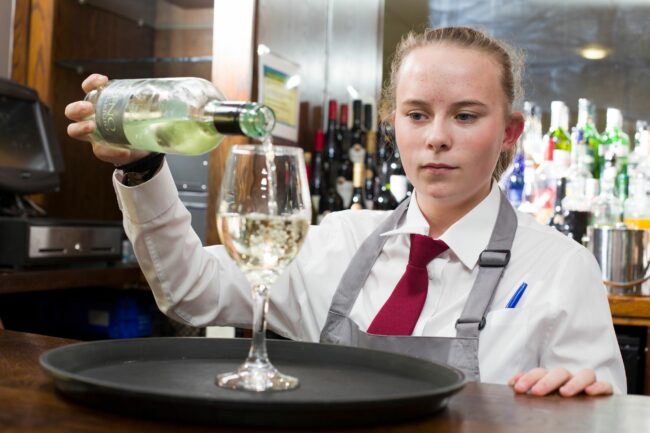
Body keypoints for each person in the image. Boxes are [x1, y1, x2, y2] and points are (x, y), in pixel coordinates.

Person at [65, 26, 625, 396]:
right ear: (392, 124)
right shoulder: (339, 239)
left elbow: (604, 410)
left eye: (466, 116)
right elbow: (191, 290)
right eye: (416, 114)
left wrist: (583, 403)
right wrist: (143, 168)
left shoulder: (561, 270)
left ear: (509, 133)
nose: (436, 138)